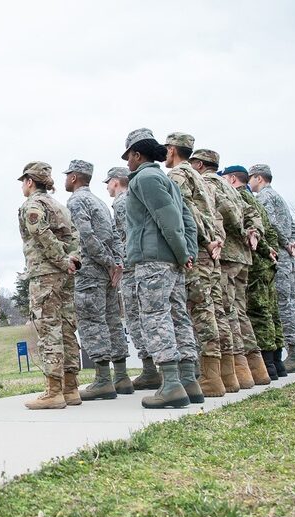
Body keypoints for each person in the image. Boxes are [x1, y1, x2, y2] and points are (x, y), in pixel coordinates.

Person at [121, 129, 198, 408]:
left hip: (154, 262)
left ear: (137, 154)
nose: (127, 162)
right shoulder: (165, 179)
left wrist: (182, 253)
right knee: (178, 317)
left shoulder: (146, 178)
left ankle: (172, 384)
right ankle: (189, 379)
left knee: (156, 318)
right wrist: (186, 253)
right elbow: (187, 220)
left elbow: (169, 219)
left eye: (128, 155)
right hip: (171, 262)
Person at [194, 150, 267, 386]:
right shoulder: (234, 189)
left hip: (225, 254)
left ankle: (235, 373)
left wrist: (241, 230)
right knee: (237, 312)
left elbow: (227, 211)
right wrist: (253, 233)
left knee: (223, 312)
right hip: (242, 257)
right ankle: (252, 370)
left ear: (200, 164)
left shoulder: (209, 182)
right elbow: (252, 212)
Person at [164, 133, 226, 397]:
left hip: (199, 250)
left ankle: (211, 377)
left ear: (172, 149)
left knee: (198, 311)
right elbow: (216, 214)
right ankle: (226, 374)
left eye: (166, 148)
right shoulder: (201, 178)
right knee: (212, 308)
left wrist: (205, 240)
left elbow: (185, 212)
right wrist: (217, 239)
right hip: (210, 249)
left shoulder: (178, 176)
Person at [17, 161, 82, 409]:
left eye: (23, 181)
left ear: (29, 182)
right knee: (66, 328)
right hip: (65, 274)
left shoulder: (33, 205)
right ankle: (71, 388)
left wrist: (62, 260)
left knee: (49, 329)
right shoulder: (59, 206)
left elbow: (41, 234)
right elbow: (74, 235)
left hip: (46, 274)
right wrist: (72, 259)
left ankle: (54, 391)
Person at [62, 160, 130, 400]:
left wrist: (109, 262)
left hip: (91, 270)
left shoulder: (76, 201)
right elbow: (114, 235)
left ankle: (103, 380)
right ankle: (121, 377)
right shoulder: (100, 202)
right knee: (112, 320)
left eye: (67, 175)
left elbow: (86, 237)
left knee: (92, 322)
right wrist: (117, 264)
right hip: (109, 271)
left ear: (73, 178)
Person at [221, 165, 279, 381]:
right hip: (253, 259)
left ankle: (262, 366)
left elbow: (239, 222)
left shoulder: (238, 197)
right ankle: (269, 366)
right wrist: (270, 251)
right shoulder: (254, 201)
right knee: (255, 312)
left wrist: (264, 250)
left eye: (225, 178)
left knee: (247, 311)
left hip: (244, 258)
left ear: (233, 179)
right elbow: (268, 229)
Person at [249, 164, 295, 375]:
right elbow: (293, 226)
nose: (249, 182)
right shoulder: (279, 197)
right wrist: (292, 242)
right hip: (287, 254)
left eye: (251, 178)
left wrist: (285, 244)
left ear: (259, 178)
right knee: (291, 303)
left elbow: (269, 224)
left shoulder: (264, 197)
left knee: (282, 305)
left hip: (278, 253)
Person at [108, 166, 158, 390]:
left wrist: (118, 264)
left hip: (131, 267)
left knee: (136, 318)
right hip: (146, 261)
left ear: (116, 182)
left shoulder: (121, 202)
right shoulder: (137, 197)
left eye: (108, 183)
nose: (108, 187)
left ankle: (150, 370)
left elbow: (123, 236)